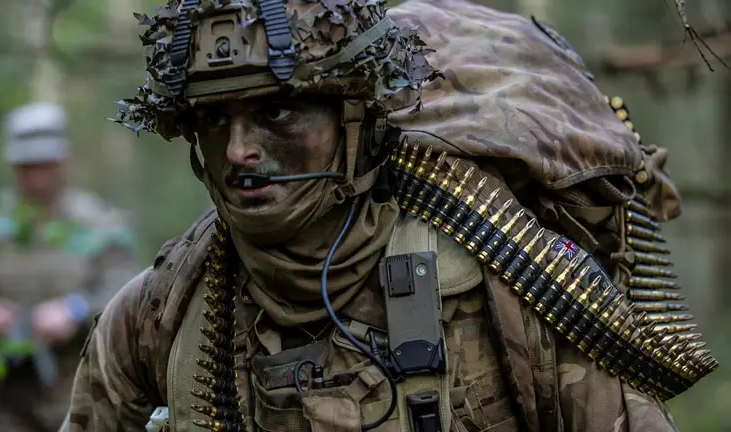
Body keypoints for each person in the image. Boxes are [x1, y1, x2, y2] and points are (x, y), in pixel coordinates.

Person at [61, 0, 716, 431]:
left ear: (355, 121)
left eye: (278, 113)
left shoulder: (502, 278)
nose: (239, 151)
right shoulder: (162, 310)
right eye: (211, 120)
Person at [0, 101, 138, 432]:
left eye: (45, 163)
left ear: (63, 160)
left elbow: (128, 291)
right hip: (3, 406)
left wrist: (75, 309)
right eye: (28, 164)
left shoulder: (99, 223)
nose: (36, 174)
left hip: (81, 397)